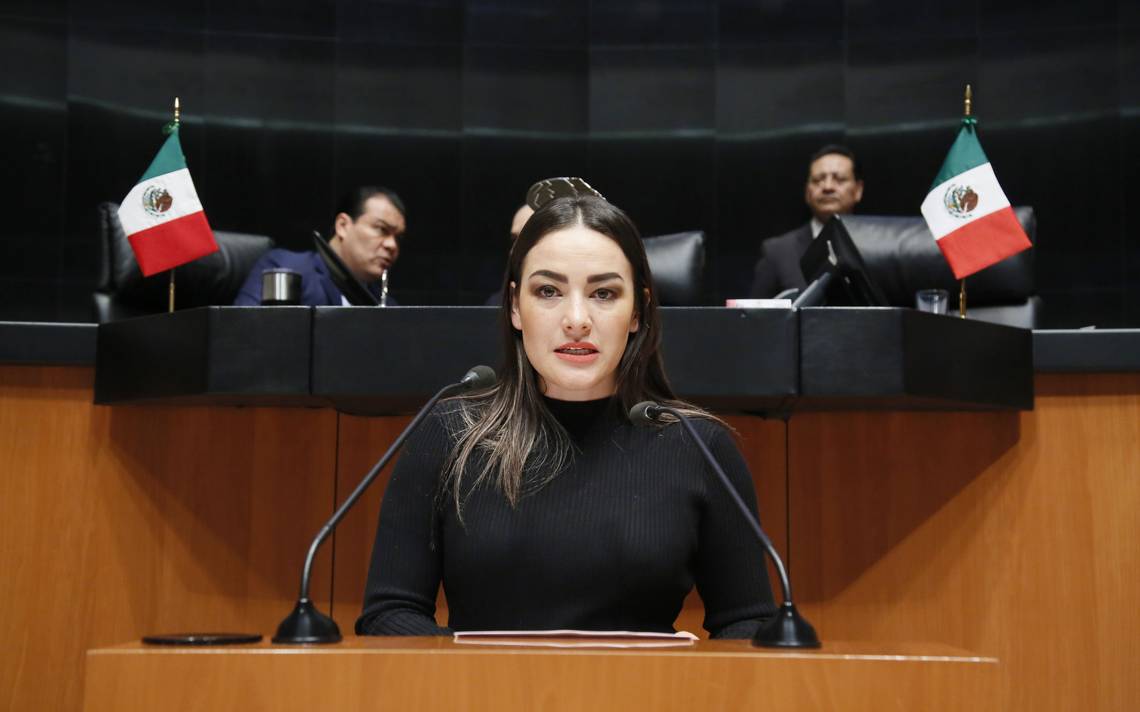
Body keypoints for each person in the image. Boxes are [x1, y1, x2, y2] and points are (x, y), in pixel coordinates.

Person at [356, 194, 777, 638]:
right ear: (515, 306)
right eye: (549, 291)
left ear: (637, 311)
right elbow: (389, 614)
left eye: (604, 293)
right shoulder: (450, 434)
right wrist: (490, 670)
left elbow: (749, 623)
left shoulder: (699, 447)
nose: (577, 320)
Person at [233, 186, 406, 305]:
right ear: (343, 226)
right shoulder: (288, 270)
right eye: (381, 229)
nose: (392, 245)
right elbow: (244, 335)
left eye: (398, 238)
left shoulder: (387, 307)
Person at [749, 144, 864, 298]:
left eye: (839, 179)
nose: (828, 187)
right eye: (818, 180)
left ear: (858, 190)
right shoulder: (778, 252)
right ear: (807, 192)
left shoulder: (877, 247)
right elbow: (755, 311)